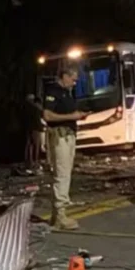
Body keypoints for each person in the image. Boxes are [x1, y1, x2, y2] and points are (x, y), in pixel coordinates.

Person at [43, 67, 88, 230]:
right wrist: (72, 117)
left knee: (65, 173)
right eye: (73, 79)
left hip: (68, 135)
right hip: (59, 136)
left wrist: (78, 115)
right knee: (61, 174)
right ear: (64, 76)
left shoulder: (67, 93)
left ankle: (57, 214)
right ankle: (60, 215)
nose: (74, 83)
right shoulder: (54, 91)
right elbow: (47, 115)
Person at [23, 94, 44, 171]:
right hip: (36, 128)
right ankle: (35, 163)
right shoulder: (35, 107)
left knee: (29, 146)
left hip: (29, 128)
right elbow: (41, 113)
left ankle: (29, 163)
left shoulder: (25, 108)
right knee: (36, 146)